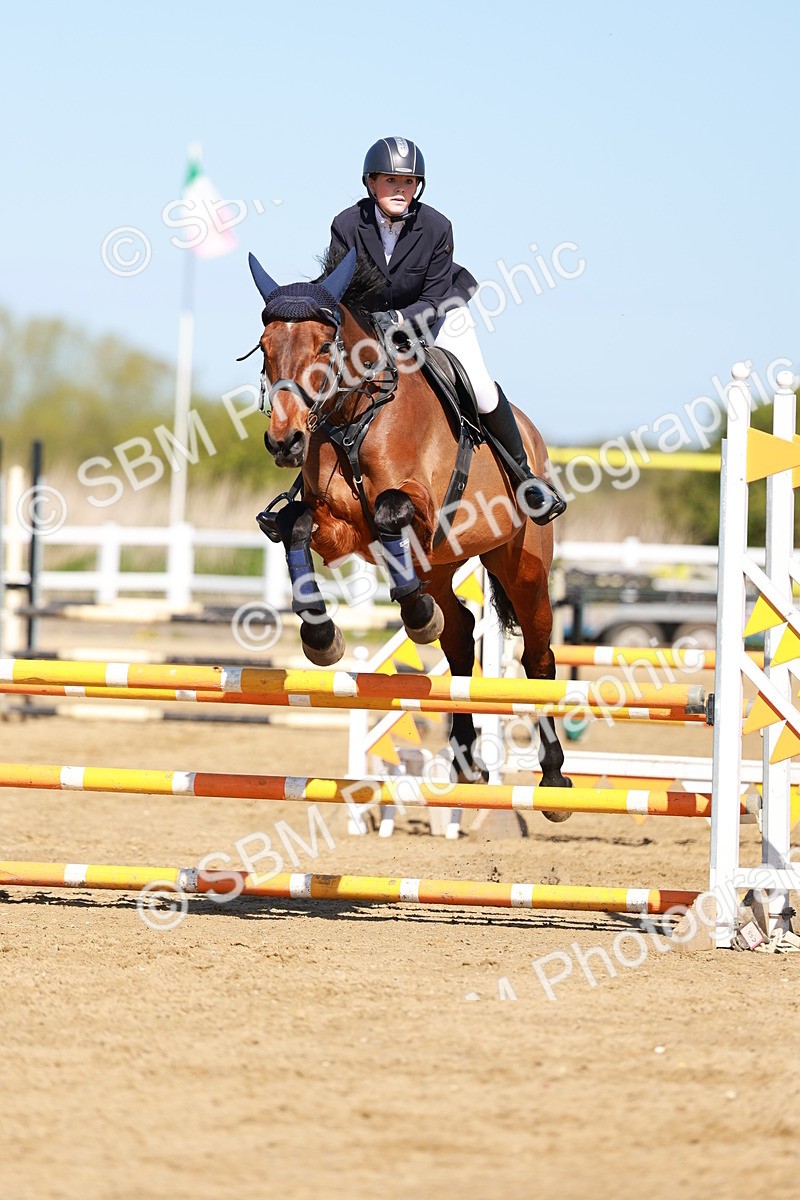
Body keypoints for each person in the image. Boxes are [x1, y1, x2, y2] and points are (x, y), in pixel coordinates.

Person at [327, 136, 566, 525]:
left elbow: (437, 295)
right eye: (391, 181)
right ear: (371, 183)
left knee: (482, 390)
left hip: (437, 316)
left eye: (408, 183)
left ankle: (526, 478)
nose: (400, 190)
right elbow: (340, 287)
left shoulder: (437, 226)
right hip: (370, 327)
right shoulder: (346, 224)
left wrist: (402, 320)